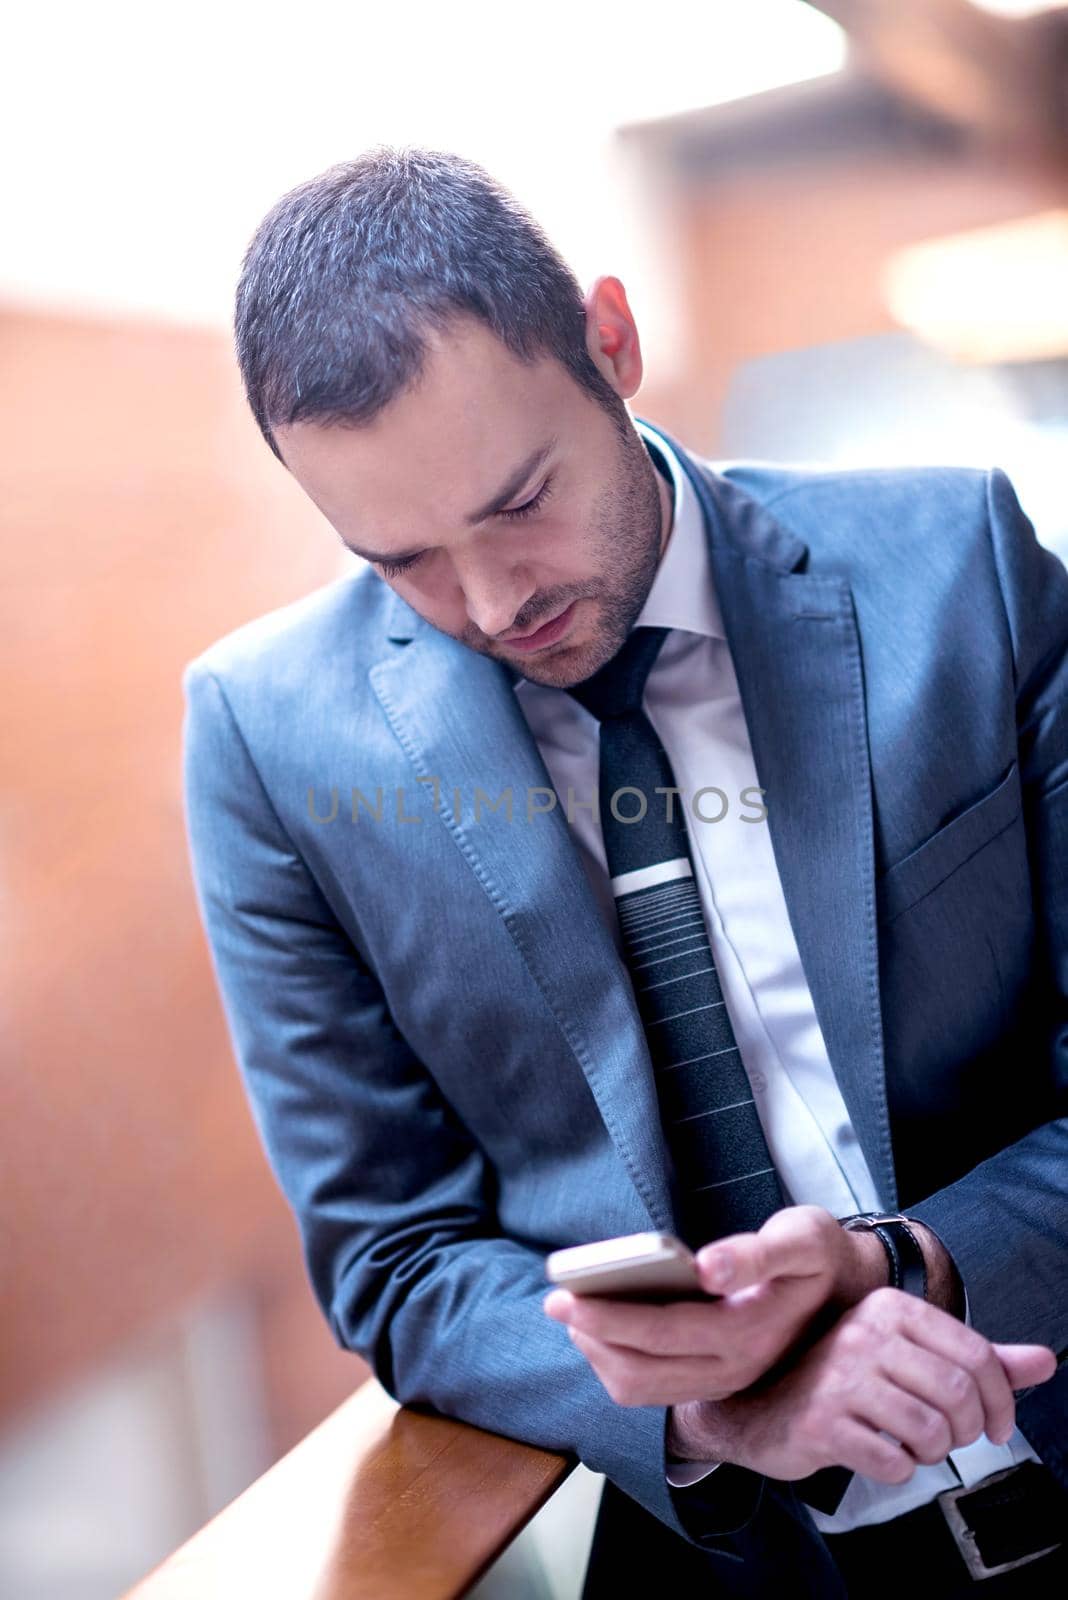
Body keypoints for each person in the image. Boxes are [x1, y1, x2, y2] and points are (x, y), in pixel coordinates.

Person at [181, 146, 1068, 1596]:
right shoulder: (267, 741)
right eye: (401, 559)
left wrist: (904, 1266)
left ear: (612, 342)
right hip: (728, 1561)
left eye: (520, 501)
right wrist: (713, 1404)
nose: (492, 602)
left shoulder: (960, 564)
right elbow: (396, 1260)